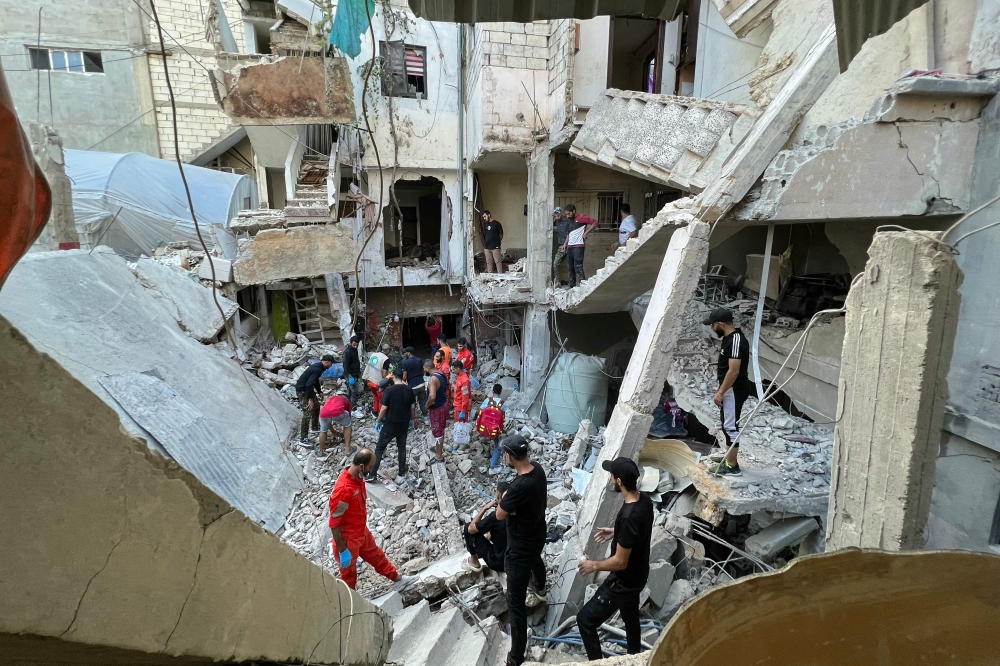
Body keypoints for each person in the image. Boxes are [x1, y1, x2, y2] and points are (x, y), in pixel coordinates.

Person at [576, 456, 654, 661]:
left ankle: (597, 663)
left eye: (612, 475)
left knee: (585, 620)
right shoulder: (644, 501)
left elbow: (620, 562)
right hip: (638, 576)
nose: (610, 478)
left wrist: (594, 565)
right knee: (630, 618)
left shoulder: (629, 518)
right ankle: (634, 657)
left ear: (619, 481)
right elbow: (639, 530)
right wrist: (617, 532)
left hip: (623, 582)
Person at [329, 448, 418, 592]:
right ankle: (349, 601)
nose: (371, 470)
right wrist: (343, 550)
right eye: (370, 467)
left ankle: (398, 579)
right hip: (348, 540)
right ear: (362, 466)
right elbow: (334, 524)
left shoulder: (357, 478)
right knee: (349, 575)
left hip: (360, 532)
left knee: (376, 556)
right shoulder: (344, 489)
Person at [495, 435, 548, 666]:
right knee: (536, 558)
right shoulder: (538, 470)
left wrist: (505, 499)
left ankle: (516, 656)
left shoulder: (518, 486)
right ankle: (540, 585)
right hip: (537, 534)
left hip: (519, 549)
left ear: (509, 456)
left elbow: (499, 514)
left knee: (515, 604)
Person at [703, 307, 753, 476]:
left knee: (730, 427)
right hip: (730, 389)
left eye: (712, 325)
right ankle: (728, 457)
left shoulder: (736, 340)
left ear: (721, 324)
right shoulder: (729, 338)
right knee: (727, 424)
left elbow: (733, 371)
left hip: (734, 389)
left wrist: (721, 392)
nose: (712, 328)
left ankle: (732, 466)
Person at [368, 367, 416, 484]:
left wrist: (378, 421)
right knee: (401, 448)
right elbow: (413, 407)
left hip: (390, 424)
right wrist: (412, 419)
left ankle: (373, 474)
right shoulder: (409, 389)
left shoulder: (389, 390)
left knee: (380, 448)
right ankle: (401, 474)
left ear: (393, 376)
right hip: (403, 424)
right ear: (403, 377)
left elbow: (384, 408)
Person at [463, 480, 510, 573]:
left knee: (467, 527)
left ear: (497, 497)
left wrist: (485, 508)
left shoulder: (495, 517)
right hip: (515, 559)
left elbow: (471, 529)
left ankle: (474, 561)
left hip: (499, 563)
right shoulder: (517, 513)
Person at [295, 354, 335, 442]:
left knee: (316, 406)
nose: (331, 366)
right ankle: (303, 438)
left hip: (308, 390)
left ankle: (315, 427)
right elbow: (309, 384)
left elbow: (315, 381)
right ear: (327, 362)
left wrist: (319, 391)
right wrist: (310, 399)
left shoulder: (319, 367)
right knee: (307, 412)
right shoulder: (317, 369)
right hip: (303, 391)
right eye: (331, 364)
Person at [563, 204, 598, 289]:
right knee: (570, 267)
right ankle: (572, 286)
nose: (567, 216)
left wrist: (586, 233)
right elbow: (569, 233)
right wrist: (565, 244)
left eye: (569, 213)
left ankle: (583, 286)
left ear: (574, 211)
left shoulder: (582, 217)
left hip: (578, 246)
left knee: (578, 267)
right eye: (566, 214)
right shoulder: (569, 220)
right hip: (570, 246)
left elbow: (595, 222)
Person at [476, 383, 508, 474]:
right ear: (500, 392)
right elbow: (503, 417)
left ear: (493, 391)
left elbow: (480, 411)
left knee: (484, 438)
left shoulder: (487, 400)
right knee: (497, 446)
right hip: (494, 429)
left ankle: (486, 452)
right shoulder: (503, 403)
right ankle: (492, 466)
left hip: (484, 427)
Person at [425, 359, 449, 462]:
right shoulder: (441, 373)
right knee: (441, 428)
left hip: (437, 408)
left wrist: (427, 405)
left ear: (427, 368)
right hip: (444, 404)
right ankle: (438, 449)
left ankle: (439, 456)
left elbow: (432, 396)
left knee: (438, 431)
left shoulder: (432, 379)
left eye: (424, 368)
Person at [317, 391, 353, 457]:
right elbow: (349, 417)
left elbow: (329, 415)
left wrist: (333, 431)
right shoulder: (347, 401)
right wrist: (347, 425)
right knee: (347, 426)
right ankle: (348, 450)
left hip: (323, 413)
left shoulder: (330, 398)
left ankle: (320, 452)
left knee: (323, 431)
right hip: (338, 412)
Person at [401, 347, 428, 422]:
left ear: (409, 353)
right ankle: (426, 418)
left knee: (412, 403)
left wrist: (403, 382)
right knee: (423, 401)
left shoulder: (406, 363)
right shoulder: (419, 360)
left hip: (412, 386)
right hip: (422, 384)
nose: (404, 354)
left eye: (405, 353)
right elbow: (423, 371)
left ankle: (412, 420)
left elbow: (404, 376)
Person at [342, 335, 363, 406]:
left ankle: (349, 404)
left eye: (357, 345)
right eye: (354, 345)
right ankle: (353, 407)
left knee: (351, 390)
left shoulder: (354, 350)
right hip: (350, 374)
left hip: (355, 373)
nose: (355, 347)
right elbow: (345, 365)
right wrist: (349, 376)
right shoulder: (347, 352)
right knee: (354, 391)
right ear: (351, 343)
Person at [552, 206, 569, 285]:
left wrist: (566, 243)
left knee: (571, 265)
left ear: (562, 214)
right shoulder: (557, 221)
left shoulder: (568, 220)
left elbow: (570, 233)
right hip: (561, 245)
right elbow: (550, 225)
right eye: (555, 215)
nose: (557, 217)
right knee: (556, 264)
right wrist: (553, 217)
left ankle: (572, 283)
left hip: (569, 245)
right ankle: (558, 281)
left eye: (558, 215)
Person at [451, 360, 472, 427]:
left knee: (461, 427)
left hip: (461, 407)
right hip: (457, 405)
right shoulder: (459, 376)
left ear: (458, 369)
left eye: (453, 369)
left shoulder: (464, 380)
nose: (452, 371)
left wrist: (463, 411)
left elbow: (465, 397)